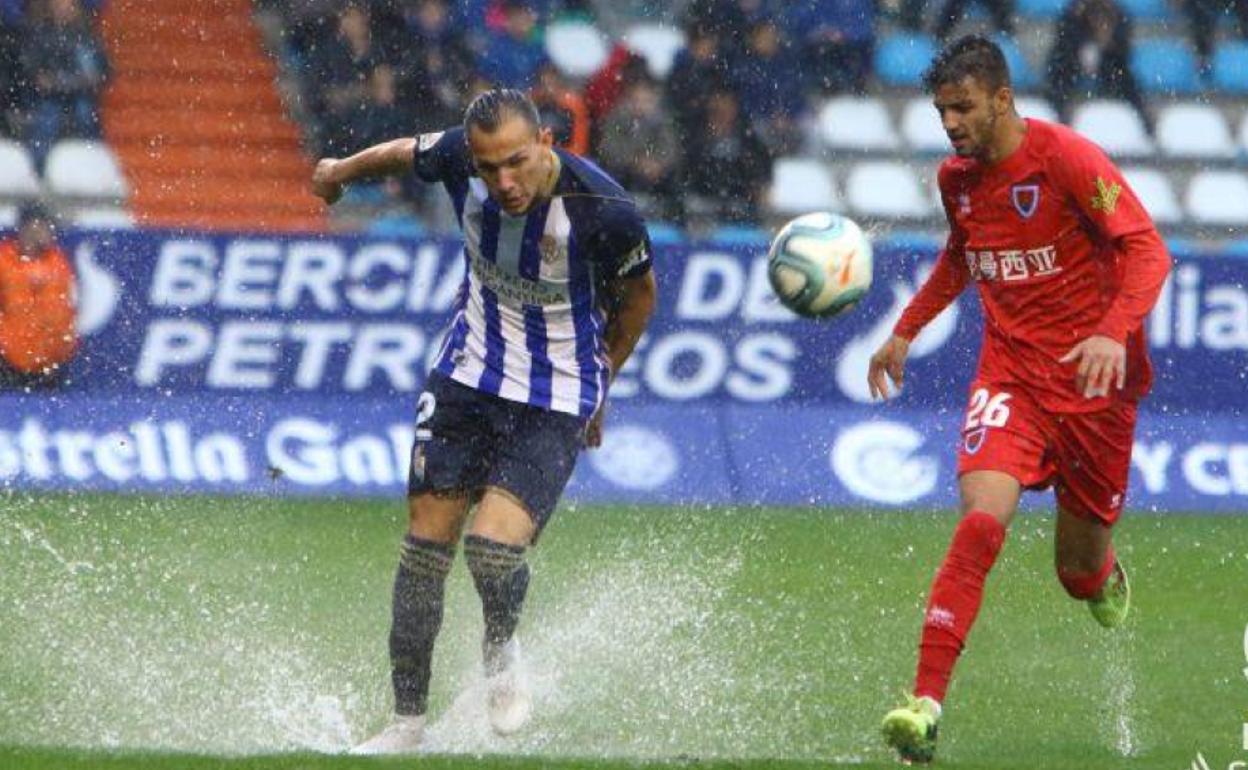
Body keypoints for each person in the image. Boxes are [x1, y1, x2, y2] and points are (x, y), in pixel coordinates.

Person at [310, 88, 657, 753]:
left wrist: (601, 383)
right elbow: (401, 151)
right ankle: (407, 725)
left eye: (518, 163)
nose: (504, 182)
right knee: (423, 550)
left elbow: (639, 300)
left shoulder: (604, 211)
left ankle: (502, 657)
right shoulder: (457, 158)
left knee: (493, 549)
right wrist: (337, 172)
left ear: (547, 144)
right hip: (467, 375)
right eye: (490, 167)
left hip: (555, 393)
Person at [868, 36, 1171, 764]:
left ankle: (1100, 572)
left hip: (1095, 390)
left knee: (1076, 575)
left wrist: (1108, 332)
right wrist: (904, 331)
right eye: (942, 111)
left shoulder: (1068, 158)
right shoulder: (957, 179)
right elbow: (961, 255)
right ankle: (924, 705)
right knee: (981, 523)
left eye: (963, 108)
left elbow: (1148, 250)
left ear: (1003, 99)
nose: (950, 124)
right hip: (1009, 379)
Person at [0, 202, 78, 388]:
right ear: (26, 228)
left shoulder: (58, 262)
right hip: (9, 360)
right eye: (42, 226)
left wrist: (64, 347)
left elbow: (66, 306)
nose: (47, 233)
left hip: (51, 361)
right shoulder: (4, 261)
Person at [1045, 0, 1152, 135]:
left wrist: (1106, 41)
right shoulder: (1072, 14)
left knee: (1124, 77)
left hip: (1108, 64)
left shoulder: (1117, 15)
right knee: (1059, 75)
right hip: (1072, 63)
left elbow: (1124, 50)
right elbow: (1063, 44)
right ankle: (1059, 116)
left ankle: (1144, 123)